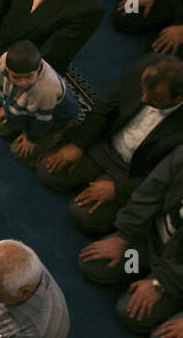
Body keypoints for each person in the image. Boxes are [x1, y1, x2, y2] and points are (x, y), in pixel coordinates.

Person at [38, 54, 183, 231]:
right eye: (143, 91)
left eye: (155, 100)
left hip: (134, 173)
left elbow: (169, 177)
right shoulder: (145, 68)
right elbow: (106, 107)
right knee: (47, 170)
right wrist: (79, 144)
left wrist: (119, 189)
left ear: (179, 98)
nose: (144, 99)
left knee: (83, 215)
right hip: (107, 146)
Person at [79, 145, 183, 338]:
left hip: (177, 270)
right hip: (153, 239)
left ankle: (156, 289)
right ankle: (137, 273)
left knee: (131, 313)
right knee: (96, 266)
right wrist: (124, 237)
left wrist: (160, 284)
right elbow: (152, 190)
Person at [0, 40, 81, 165]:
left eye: (28, 77)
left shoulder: (46, 90)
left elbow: (43, 121)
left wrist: (31, 139)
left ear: (38, 68)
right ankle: (22, 125)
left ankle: (57, 138)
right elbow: (3, 89)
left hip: (55, 119)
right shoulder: (3, 60)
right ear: (7, 67)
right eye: (16, 77)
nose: (23, 83)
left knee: (19, 152)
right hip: (32, 107)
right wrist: (7, 109)